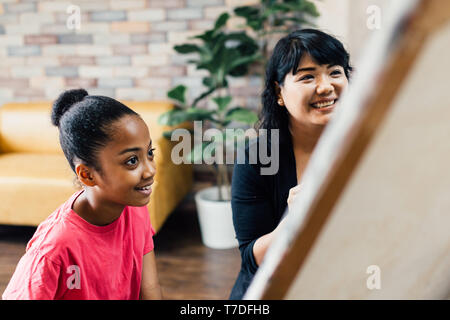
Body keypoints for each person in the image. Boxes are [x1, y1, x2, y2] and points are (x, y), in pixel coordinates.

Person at [2, 89, 162, 300]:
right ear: (87, 175)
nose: (150, 170)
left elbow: (150, 288)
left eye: (149, 153)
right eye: (132, 160)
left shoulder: (136, 209)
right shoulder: (53, 250)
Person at [229, 29, 353, 299]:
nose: (326, 86)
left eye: (335, 72)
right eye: (307, 76)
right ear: (279, 92)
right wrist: (296, 219)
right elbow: (252, 258)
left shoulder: (364, 145)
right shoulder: (257, 158)